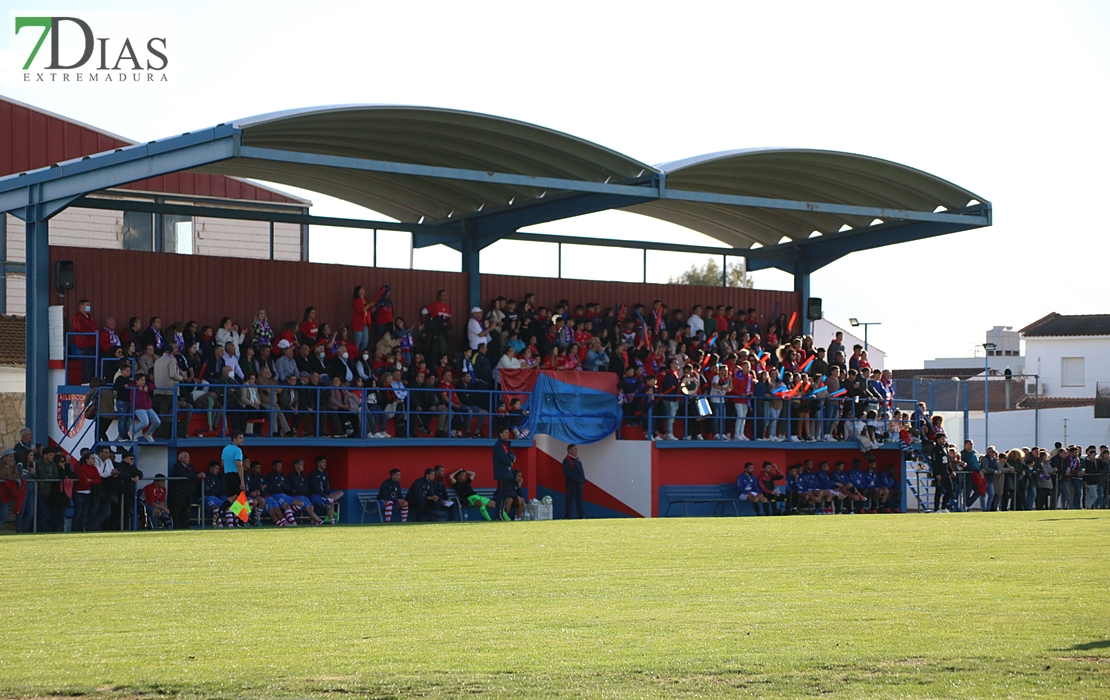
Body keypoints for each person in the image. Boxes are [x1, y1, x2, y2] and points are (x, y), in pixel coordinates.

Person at [168, 451, 204, 530]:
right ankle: (176, 529)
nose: (189, 459)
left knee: (185, 514)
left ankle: (185, 529)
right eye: (187, 457)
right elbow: (185, 474)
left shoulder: (190, 466)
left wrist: (200, 474)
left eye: (189, 457)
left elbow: (194, 472)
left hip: (187, 496)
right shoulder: (177, 466)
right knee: (176, 514)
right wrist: (196, 475)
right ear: (181, 458)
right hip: (177, 496)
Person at [309, 455, 344, 524]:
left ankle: (330, 499)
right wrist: (325, 495)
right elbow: (316, 488)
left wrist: (329, 494)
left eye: (325, 462)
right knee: (330, 502)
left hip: (325, 495)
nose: (325, 464)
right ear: (318, 463)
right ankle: (332, 521)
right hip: (315, 495)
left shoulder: (325, 474)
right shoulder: (313, 474)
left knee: (341, 492)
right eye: (323, 462)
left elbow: (326, 487)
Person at [492, 427, 517, 519]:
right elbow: (505, 459)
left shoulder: (506, 446)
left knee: (505, 494)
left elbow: (513, 456)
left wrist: (510, 459)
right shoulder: (498, 446)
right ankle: (498, 514)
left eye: (508, 432)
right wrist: (510, 460)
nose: (508, 434)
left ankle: (501, 513)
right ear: (500, 434)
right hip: (502, 473)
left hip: (507, 473)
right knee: (501, 494)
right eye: (505, 432)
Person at [562, 444, 586, 519]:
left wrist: (582, 480)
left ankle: (581, 516)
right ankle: (568, 517)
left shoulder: (577, 460)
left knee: (580, 501)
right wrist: (575, 480)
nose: (576, 450)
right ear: (569, 450)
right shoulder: (567, 460)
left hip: (579, 484)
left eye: (576, 449)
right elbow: (567, 473)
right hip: (571, 485)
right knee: (570, 501)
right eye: (574, 449)